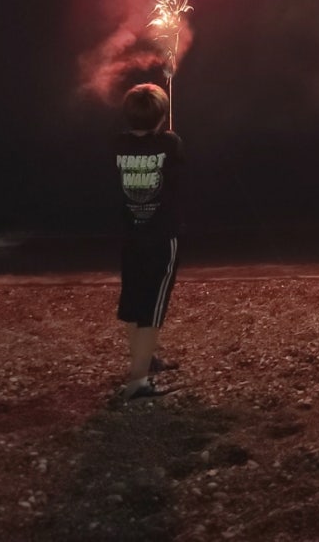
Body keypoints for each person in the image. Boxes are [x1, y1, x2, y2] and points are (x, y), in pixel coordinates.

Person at [115, 83, 183, 400]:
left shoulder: (117, 144)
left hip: (129, 236)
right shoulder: (170, 142)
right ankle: (138, 383)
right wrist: (165, 135)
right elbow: (178, 173)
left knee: (133, 303)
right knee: (151, 311)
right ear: (161, 118)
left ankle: (145, 359)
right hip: (160, 239)